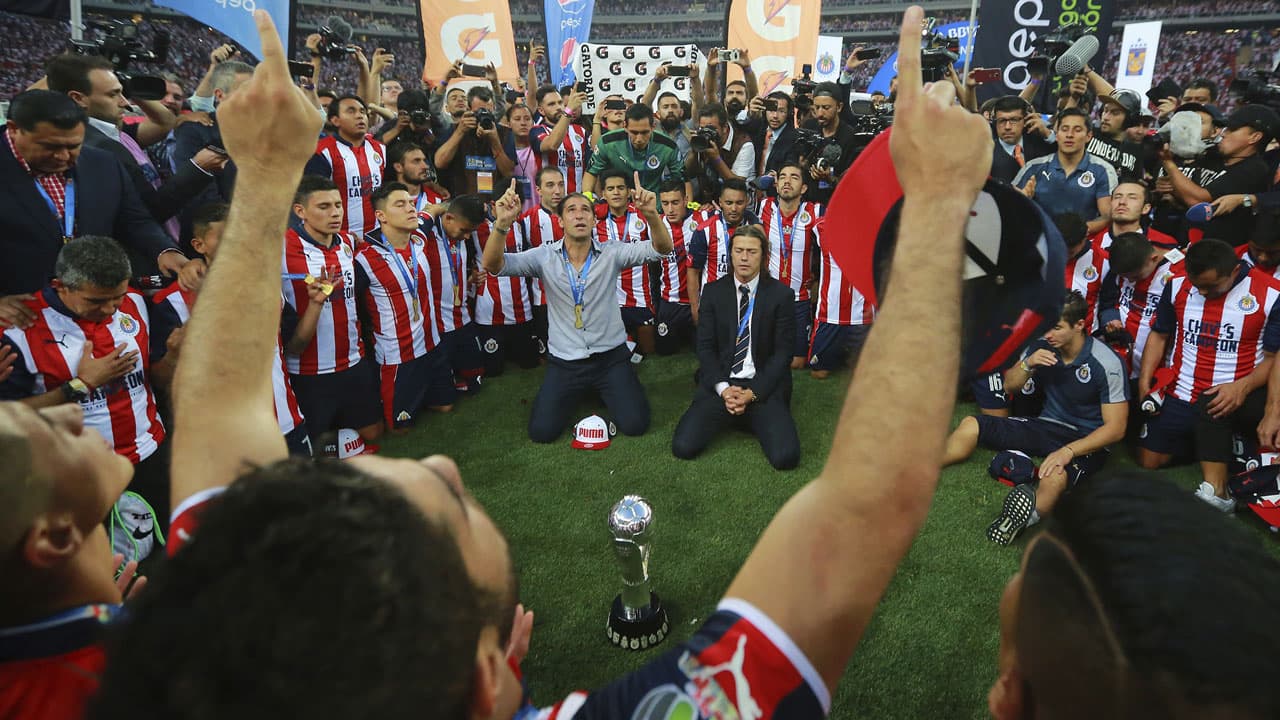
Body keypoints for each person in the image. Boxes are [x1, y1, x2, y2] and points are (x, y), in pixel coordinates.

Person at [482, 173, 672, 442]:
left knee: (635, 424)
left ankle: (608, 387)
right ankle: (587, 390)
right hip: (565, 362)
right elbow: (493, 265)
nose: (579, 215)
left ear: (595, 220)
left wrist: (652, 215)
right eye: (571, 210)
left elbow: (661, 249)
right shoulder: (544, 256)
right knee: (542, 433)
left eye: (586, 210)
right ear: (560, 221)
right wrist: (501, 224)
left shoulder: (612, 253)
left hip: (610, 358)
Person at [0, 235, 171, 524]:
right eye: (96, 301)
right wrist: (81, 385)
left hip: (151, 456)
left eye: (116, 297)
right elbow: (9, 420)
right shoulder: (18, 328)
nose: (110, 309)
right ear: (62, 286)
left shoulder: (135, 302)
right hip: (74, 474)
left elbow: (153, 378)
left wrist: (176, 355)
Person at [944, 291, 1129, 545]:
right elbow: (1009, 386)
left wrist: (1068, 451)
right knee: (972, 423)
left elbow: (1116, 429)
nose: (1048, 333)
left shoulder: (1106, 363)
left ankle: (1020, 520)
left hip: (1087, 439)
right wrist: (1028, 364)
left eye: (1056, 327)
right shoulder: (1041, 345)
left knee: (1053, 477)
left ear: (1079, 325)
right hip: (1046, 426)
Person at [149, 203, 311, 456]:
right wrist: (173, 356)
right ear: (199, 245)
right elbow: (160, 380)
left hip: (286, 426)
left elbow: (291, 345)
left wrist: (317, 304)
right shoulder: (170, 303)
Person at [1136, 238, 1280, 513]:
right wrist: (1146, 381)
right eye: (1197, 284)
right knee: (1149, 460)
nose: (1201, 292)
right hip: (1182, 389)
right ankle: (1218, 447)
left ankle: (1217, 488)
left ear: (1235, 272)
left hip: (1237, 393)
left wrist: (1242, 386)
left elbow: (1273, 359)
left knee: (1212, 404)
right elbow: (1159, 334)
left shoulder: (1271, 293)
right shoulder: (1177, 284)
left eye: (1211, 287)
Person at [0, 91, 185, 300]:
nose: (62, 156)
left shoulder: (103, 163)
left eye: (73, 146)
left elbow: (135, 219)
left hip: (92, 306)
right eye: (50, 146)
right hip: (20, 311)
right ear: (15, 129)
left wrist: (164, 250)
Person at [46, 54, 222, 238]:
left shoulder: (120, 135)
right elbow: (147, 212)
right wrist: (198, 167)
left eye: (123, 92)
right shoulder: (97, 147)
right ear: (78, 98)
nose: (125, 101)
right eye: (113, 94)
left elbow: (165, 121)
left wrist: (128, 84)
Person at [672, 224, 799, 469]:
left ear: (764, 256)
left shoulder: (781, 295)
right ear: (730, 254)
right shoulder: (712, 292)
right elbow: (705, 347)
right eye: (739, 250)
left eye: (752, 251)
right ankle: (733, 412)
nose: (744, 257)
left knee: (786, 458)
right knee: (683, 447)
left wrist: (753, 393)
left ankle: (748, 415)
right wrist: (723, 390)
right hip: (722, 384)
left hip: (761, 387)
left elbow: (783, 354)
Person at [281, 176, 383, 449]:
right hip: (308, 370)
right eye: (324, 206)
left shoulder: (347, 242)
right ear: (300, 211)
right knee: (314, 447)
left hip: (353, 360)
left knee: (374, 433)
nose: (336, 212)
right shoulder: (279, 249)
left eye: (338, 205)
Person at [355, 183, 455, 430]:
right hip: (399, 357)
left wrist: (444, 205)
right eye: (400, 204)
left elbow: (429, 212)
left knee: (446, 406)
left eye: (411, 203)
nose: (410, 208)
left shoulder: (418, 237)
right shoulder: (363, 259)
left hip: (432, 345)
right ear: (381, 216)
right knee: (401, 429)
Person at [1157, 104, 1277, 246]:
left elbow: (1197, 200)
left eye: (1232, 129)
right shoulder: (1213, 155)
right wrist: (1170, 187)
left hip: (1217, 253)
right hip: (1184, 243)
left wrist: (1169, 164)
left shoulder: (1254, 169)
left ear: (1254, 137)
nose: (1223, 133)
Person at [418, 195, 488, 393]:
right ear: (448, 218)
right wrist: (434, 210)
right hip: (438, 325)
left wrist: (470, 280)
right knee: (443, 390)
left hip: (463, 318)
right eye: (464, 230)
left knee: (477, 379)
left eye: (470, 232)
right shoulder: (428, 233)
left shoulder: (459, 236)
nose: (467, 237)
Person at [758, 162, 822, 368]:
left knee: (797, 362)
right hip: (768, 295)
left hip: (800, 298)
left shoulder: (815, 212)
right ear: (776, 186)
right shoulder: (765, 207)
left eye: (794, 177)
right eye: (783, 176)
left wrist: (817, 280)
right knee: (760, 354)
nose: (787, 181)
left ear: (803, 188)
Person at [1014, 108, 1118, 235]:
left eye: (1077, 130)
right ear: (1056, 135)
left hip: (1082, 244)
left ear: (1088, 136)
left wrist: (1073, 233)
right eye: (1064, 129)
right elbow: (1008, 205)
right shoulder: (1033, 167)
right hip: (1039, 242)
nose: (1069, 135)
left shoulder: (1103, 170)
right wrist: (1022, 201)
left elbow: (1106, 217)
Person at [1097, 232, 1184, 379]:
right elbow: (1107, 300)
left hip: (1160, 366)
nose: (1130, 280)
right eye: (1125, 277)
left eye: (1135, 277)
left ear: (1153, 258)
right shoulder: (1123, 262)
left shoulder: (1180, 273)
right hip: (1121, 361)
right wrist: (1110, 319)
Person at [595, 168, 658, 355]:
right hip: (608, 299)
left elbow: (660, 245)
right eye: (611, 188)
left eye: (621, 188)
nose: (616, 192)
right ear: (603, 194)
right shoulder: (595, 220)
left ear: (629, 192)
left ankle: (630, 343)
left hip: (639, 296)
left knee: (649, 351)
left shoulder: (642, 216)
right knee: (612, 353)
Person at [304, 95, 387, 237]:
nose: (359, 116)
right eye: (351, 111)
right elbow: (315, 199)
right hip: (341, 239)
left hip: (378, 237)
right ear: (335, 120)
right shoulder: (323, 152)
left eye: (362, 111)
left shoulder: (379, 148)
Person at [687, 179, 759, 322]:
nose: (733, 209)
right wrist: (695, 309)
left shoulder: (756, 229)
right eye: (729, 203)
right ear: (720, 202)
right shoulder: (705, 230)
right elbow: (693, 271)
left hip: (747, 303)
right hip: (713, 304)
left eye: (739, 203)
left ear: (747, 201)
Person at [583, 102, 686, 196]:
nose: (639, 139)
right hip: (620, 205)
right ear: (625, 126)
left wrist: (688, 202)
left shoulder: (668, 146)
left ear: (653, 126)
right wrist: (587, 195)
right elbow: (591, 172)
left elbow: (683, 178)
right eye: (634, 132)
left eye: (645, 132)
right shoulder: (607, 142)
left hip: (654, 205)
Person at [433, 86, 515, 198]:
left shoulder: (504, 133)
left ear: (494, 108)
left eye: (488, 111)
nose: (484, 115)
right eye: (479, 112)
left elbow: (509, 173)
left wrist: (495, 142)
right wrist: (460, 132)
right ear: (469, 109)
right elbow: (439, 162)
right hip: (462, 202)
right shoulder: (455, 130)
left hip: (495, 202)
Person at [654, 179, 698, 355]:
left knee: (702, 349)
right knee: (664, 351)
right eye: (665, 203)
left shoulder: (702, 217)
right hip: (670, 301)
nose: (670, 209)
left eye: (675, 202)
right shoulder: (656, 224)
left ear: (686, 200)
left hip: (697, 302)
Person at [799, 83, 860, 204]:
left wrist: (829, 179)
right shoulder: (808, 127)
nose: (820, 113)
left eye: (826, 108)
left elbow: (852, 182)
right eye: (817, 107)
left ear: (839, 107)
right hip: (806, 203)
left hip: (836, 203)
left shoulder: (850, 137)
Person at [684, 103, 756, 204]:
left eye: (711, 129)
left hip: (739, 205)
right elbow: (688, 173)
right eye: (703, 128)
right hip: (711, 202)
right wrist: (695, 150)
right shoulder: (703, 141)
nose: (706, 132)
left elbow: (737, 185)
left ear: (725, 127)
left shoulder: (744, 144)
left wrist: (716, 159)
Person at [528, 86, 590, 194]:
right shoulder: (537, 131)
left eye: (560, 102)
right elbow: (552, 145)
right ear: (541, 110)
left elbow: (591, 167)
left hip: (577, 200)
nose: (558, 107)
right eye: (551, 104)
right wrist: (568, 110)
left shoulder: (580, 131)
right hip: (551, 201)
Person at [1094, 181, 1177, 250]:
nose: (1122, 202)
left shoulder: (1164, 245)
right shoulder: (1091, 242)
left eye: (1132, 197)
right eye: (1117, 197)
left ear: (1146, 208)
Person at [988, 95, 1053, 184]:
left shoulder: (1040, 144)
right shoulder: (986, 154)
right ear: (995, 122)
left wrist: (1048, 134)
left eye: (1014, 120)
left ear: (1026, 120)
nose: (1007, 127)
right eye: (1002, 121)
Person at [745, 91, 800, 178]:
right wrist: (750, 113)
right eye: (771, 110)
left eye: (781, 111)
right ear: (765, 111)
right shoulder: (758, 129)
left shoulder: (794, 140)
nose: (775, 115)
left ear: (789, 113)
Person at [386, 141, 448, 210]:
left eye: (424, 160)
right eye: (416, 161)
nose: (425, 166)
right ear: (398, 167)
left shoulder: (438, 201)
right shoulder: (385, 203)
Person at [504, 103, 540, 214]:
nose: (523, 123)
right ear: (509, 123)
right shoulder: (505, 153)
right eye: (517, 119)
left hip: (538, 215)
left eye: (527, 119)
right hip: (513, 214)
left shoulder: (540, 148)